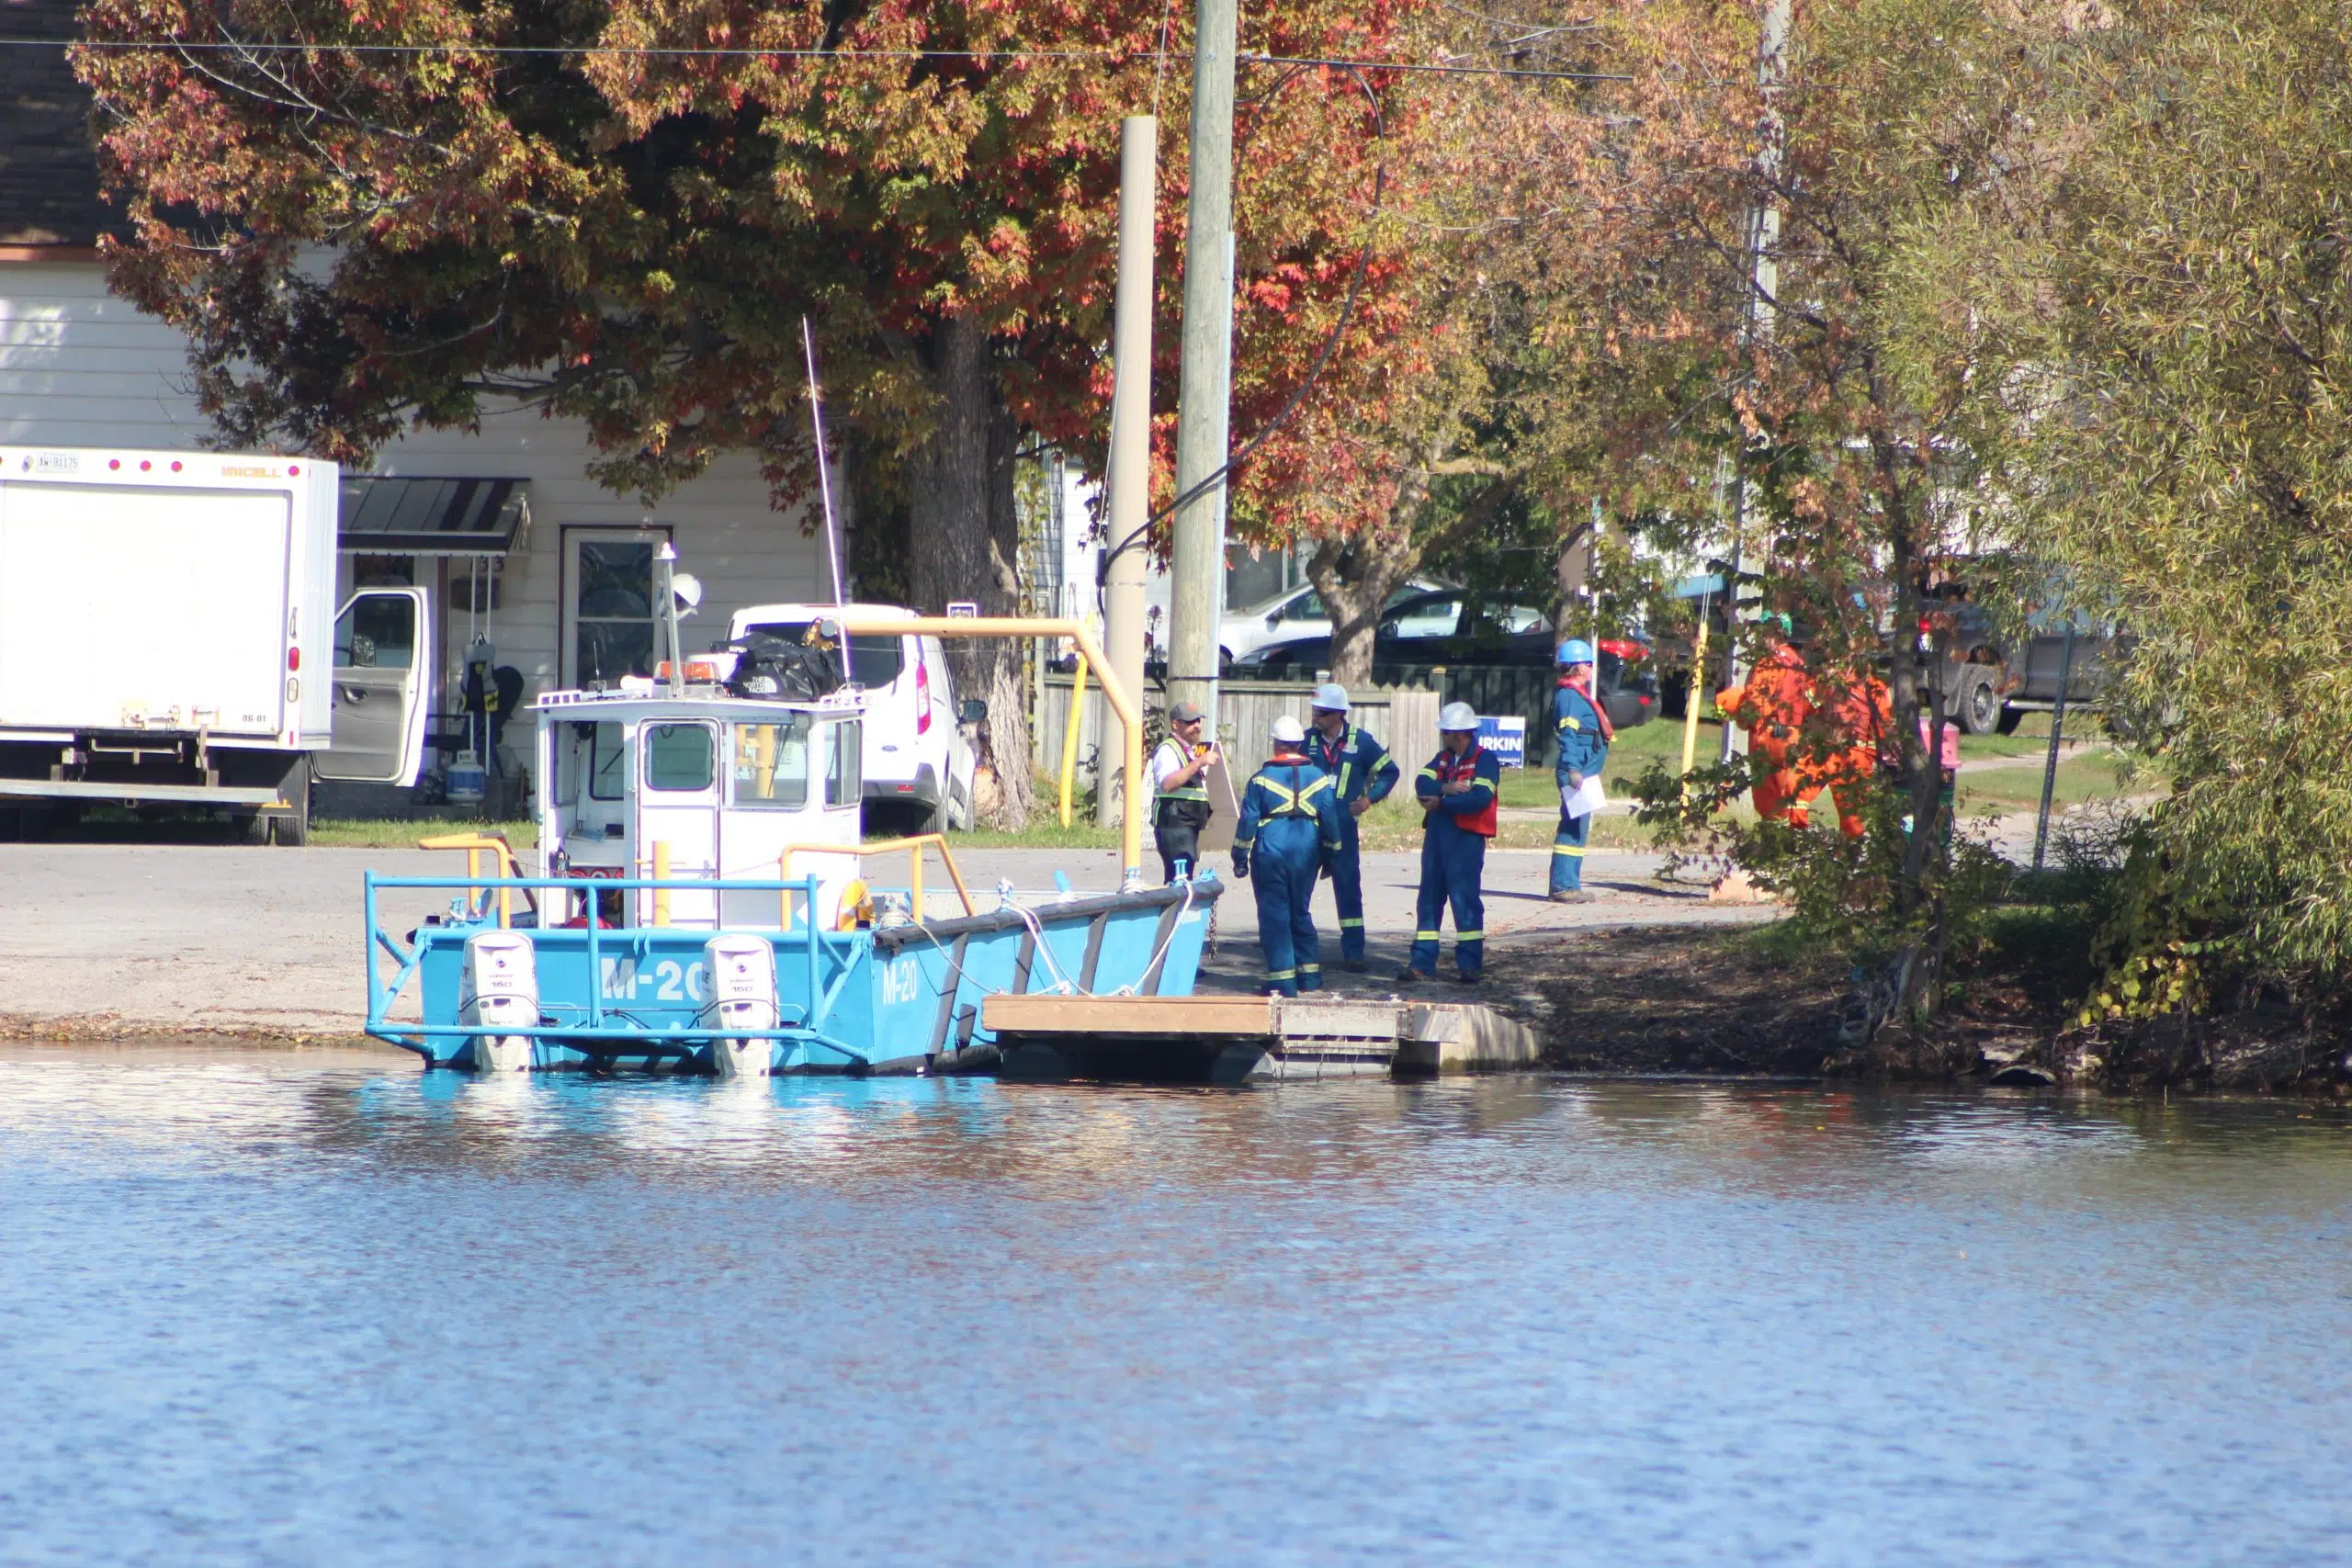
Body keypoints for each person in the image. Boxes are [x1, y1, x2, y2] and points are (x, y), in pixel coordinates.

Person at [1231, 716, 1347, 998]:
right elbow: (1330, 820)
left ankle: (1283, 982)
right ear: (1299, 744)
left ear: (1276, 744)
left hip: (1271, 849)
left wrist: (1239, 856)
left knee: (1275, 914)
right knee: (1300, 910)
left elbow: (1247, 822)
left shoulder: (1259, 780)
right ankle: (1309, 978)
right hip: (1307, 850)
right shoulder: (1319, 778)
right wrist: (1332, 854)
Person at [1400, 702, 1499, 986]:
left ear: (1458, 734)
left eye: (1445, 732)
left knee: (1464, 899)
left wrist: (1442, 803)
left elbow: (1480, 798)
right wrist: (1446, 788)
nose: (1442, 737)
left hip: (1465, 839)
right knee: (1429, 899)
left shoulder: (1485, 760)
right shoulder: (1443, 759)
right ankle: (1421, 963)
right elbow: (1421, 783)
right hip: (1437, 837)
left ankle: (1470, 965)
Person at [1304, 682, 1400, 971]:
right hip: (1311, 827)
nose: (1315, 717)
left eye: (1321, 713)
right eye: (1315, 712)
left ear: (1338, 715)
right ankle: (1297, 949)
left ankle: (1354, 951)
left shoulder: (1362, 741)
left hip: (1344, 828)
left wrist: (1369, 800)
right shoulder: (1306, 740)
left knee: (1347, 888)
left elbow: (1389, 771)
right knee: (1300, 888)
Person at [1716, 615, 1814, 826]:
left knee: (1774, 792)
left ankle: (1780, 836)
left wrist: (1746, 715)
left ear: (1778, 633)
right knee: (1768, 794)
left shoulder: (1780, 661)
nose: (1762, 637)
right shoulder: (1781, 660)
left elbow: (1769, 698)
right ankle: (1774, 835)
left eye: (1766, 632)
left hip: (1775, 734)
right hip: (1772, 732)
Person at [1549, 639, 1614, 903]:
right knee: (1572, 827)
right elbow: (1568, 735)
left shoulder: (1575, 694)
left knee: (1578, 826)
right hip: (1577, 771)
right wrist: (1573, 769)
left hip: (1584, 771)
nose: (1591, 669)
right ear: (1577, 668)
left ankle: (1570, 883)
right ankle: (1564, 885)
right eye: (1588, 664)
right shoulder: (1568, 696)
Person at [1148, 700, 1218, 882]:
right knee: (1178, 882)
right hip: (1174, 826)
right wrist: (1198, 763)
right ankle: (1175, 911)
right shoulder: (1167, 750)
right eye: (1189, 722)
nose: (1196, 726)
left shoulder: (1187, 751)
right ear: (1175, 724)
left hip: (1186, 825)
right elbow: (1168, 783)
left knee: (1183, 880)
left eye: (1198, 721)